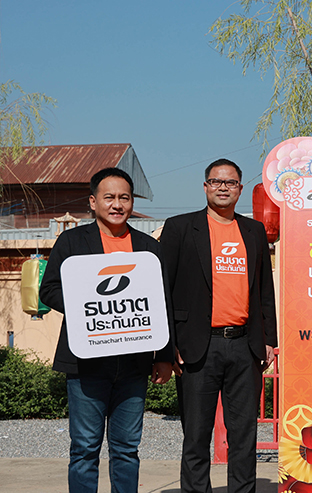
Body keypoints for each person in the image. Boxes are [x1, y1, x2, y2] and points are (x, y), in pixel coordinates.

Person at [39, 167, 173, 493]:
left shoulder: (147, 247)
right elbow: (49, 290)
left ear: (131, 202)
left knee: (126, 449)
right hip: (87, 363)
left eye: (124, 197)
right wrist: (86, 304)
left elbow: (162, 302)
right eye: (109, 197)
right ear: (93, 202)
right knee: (84, 449)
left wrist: (165, 356)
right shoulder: (72, 241)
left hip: (133, 363)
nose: (117, 204)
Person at [160, 158, 277, 493]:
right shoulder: (181, 228)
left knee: (244, 435)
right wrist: (168, 347)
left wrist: (270, 339)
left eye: (230, 182)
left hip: (245, 345)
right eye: (216, 181)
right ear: (205, 187)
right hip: (198, 346)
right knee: (196, 435)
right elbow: (163, 288)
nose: (223, 187)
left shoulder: (252, 230)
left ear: (239, 188)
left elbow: (264, 290)